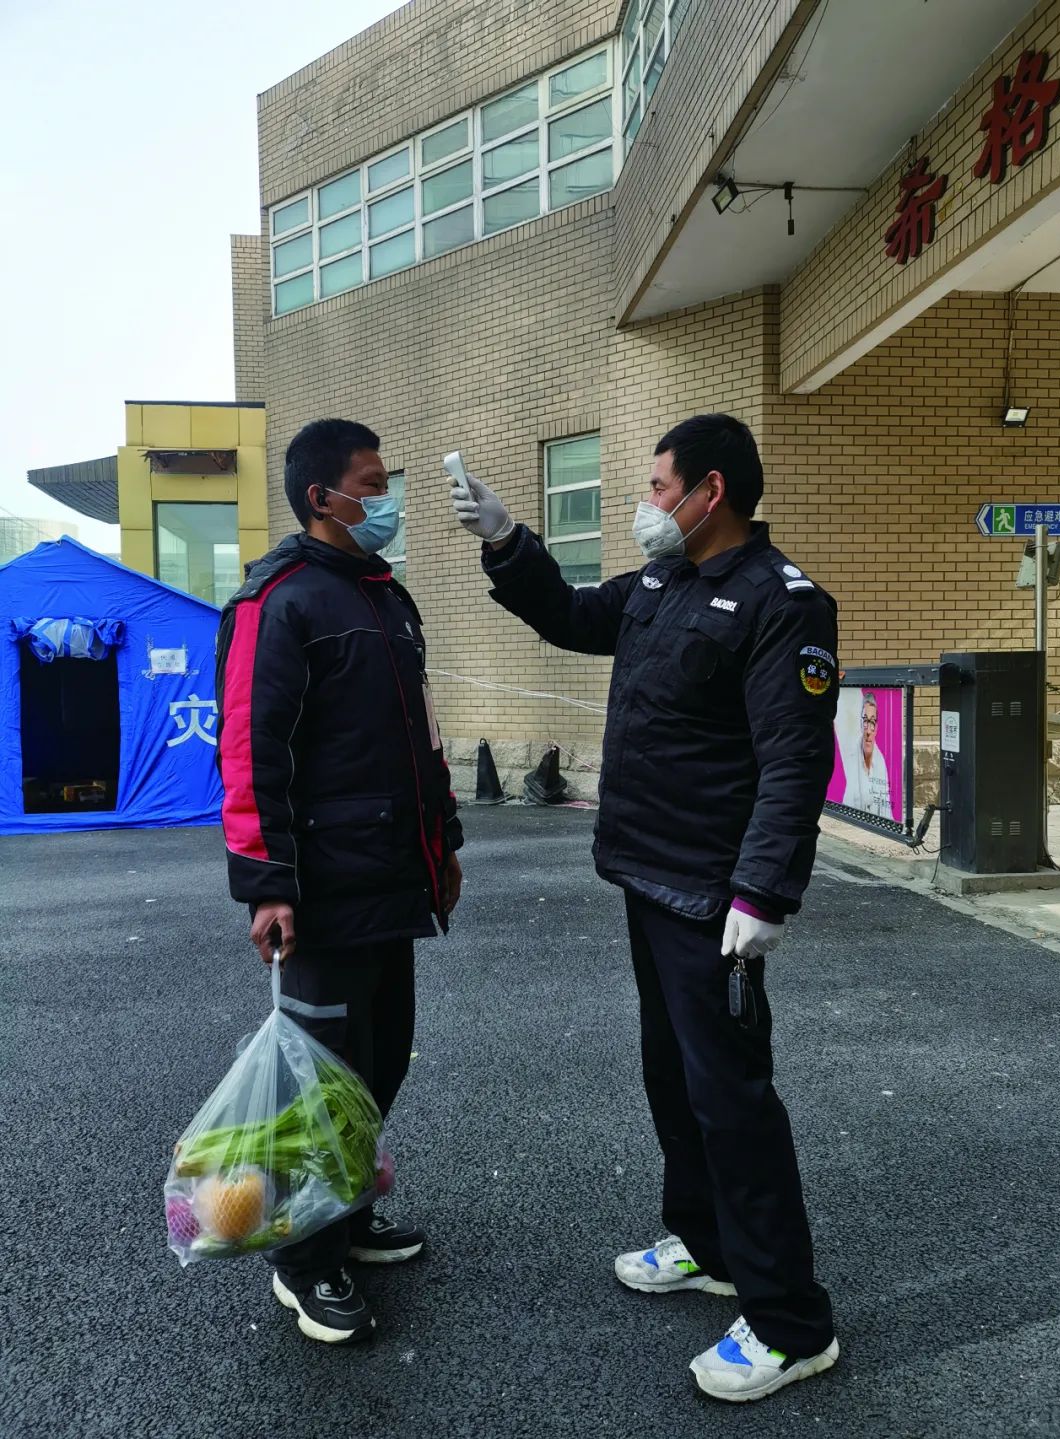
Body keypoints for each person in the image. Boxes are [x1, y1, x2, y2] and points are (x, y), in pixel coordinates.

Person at [450, 413, 839, 1403]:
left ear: (712, 492)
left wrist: (764, 888)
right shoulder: (663, 584)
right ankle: (707, 1242)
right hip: (648, 874)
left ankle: (793, 1320)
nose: (648, 503)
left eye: (661, 486)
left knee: (734, 1099)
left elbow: (795, 763)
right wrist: (508, 543)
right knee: (672, 1078)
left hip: (715, 894)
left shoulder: (781, 604)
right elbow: (574, 616)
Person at [216, 418, 463, 1345]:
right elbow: (247, 749)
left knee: (377, 1064)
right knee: (315, 1086)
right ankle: (302, 1259)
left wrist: (446, 846)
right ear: (322, 496)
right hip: (319, 893)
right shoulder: (277, 601)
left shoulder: (382, 596)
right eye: (373, 480)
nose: (386, 494)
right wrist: (267, 885)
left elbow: (423, 742)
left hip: (391, 885)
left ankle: (346, 1214)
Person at [842, 690, 892, 819]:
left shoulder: (881, 765)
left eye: (872, 722)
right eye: (865, 721)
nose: (868, 730)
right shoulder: (851, 759)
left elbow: (886, 809)